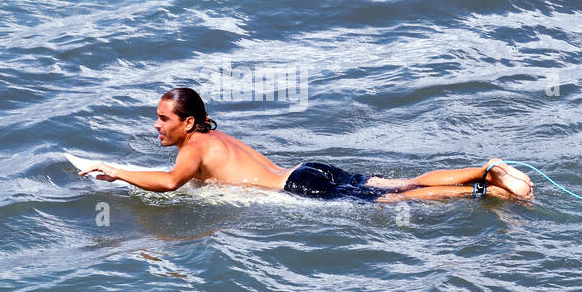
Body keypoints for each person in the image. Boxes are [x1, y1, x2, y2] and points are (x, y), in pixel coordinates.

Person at [78, 88, 535, 203]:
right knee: (398, 183)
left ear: (188, 123)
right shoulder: (214, 136)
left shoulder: (192, 148)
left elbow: (171, 183)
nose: (156, 127)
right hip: (308, 168)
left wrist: (116, 170)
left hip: (300, 187)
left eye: (163, 119)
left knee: (391, 201)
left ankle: (486, 190)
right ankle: (483, 172)